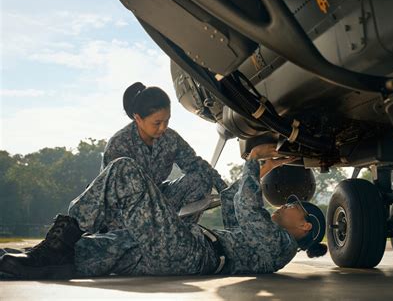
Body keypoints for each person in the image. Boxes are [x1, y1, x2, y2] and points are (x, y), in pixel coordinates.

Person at [0, 144, 327, 279]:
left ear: (306, 228)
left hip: (188, 250)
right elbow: (234, 208)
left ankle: (57, 245)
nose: (285, 204)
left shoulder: (280, 245)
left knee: (124, 169)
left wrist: (254, 163)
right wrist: (219, 176)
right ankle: (43, 256)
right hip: (181, 251)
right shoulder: (266, 245)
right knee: (98, 250)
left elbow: (246, 206)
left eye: (294, 206)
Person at [104, 82, 227, 218]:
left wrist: (226, 192)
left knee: (201, 178)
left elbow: (197, 165)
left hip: (157, 201)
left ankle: (183, 233)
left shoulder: (170, 138)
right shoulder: (119, 144)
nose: (163, 128)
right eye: (157, 123)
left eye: (167, 121)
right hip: (125, 212)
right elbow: (115, 196)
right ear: (138, 118)